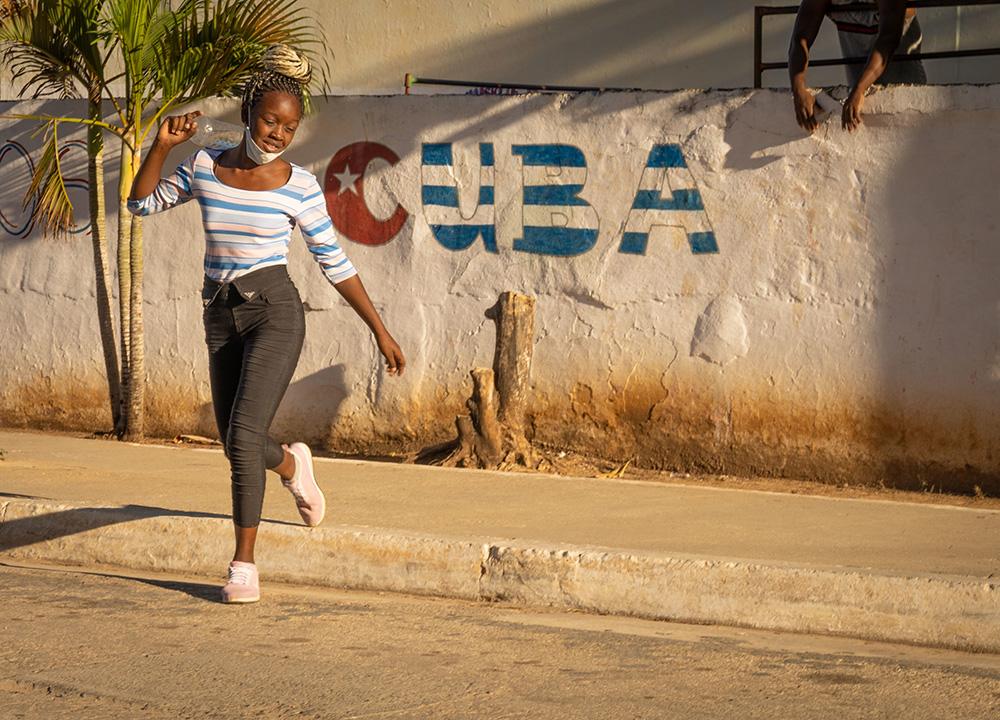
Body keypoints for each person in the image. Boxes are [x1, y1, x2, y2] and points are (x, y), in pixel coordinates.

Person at [128, 45, 406, 604]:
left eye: (290, 126)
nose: (278, 133)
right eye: (270, 120)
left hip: (275, 312)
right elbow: (140, 205)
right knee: (237, 441)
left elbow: (336, 263)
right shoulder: (205, 165)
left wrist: (379, 329)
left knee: (243, 434)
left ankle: (243, 566)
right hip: (220, 314)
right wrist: (161, 146)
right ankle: (292, 464)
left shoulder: (300, 186)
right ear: (249, 111)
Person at [789, 0, 927, 132]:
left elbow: (889, 38)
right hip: (859, 97)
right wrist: (798, 89)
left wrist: (860, 89)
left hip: (905, 93)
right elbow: (800, 38)